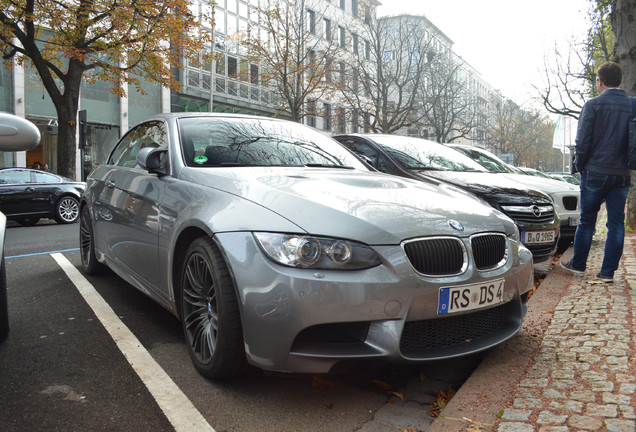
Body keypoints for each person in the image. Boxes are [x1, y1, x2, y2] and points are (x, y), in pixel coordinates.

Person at [560, 61, 633, 283]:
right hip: (621, 174)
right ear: (619, 80)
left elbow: (582, 141)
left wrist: (580, 166)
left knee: (587, 221)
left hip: (595, 172)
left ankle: (579, 264)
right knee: (616, 224)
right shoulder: (633, 105)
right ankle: (607, 272)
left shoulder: (592, 105)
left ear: (599, 81)